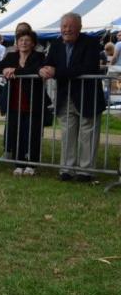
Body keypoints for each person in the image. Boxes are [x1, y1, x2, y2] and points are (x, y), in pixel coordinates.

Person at [38, 12, 103, 182]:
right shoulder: (57, 44)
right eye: (64, 26)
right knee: (67, 134)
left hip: (87, 96)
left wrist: (57, 72)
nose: (67, 30)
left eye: (70, 26)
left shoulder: (91, 43)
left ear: (79, 27)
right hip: (65, 96)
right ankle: (66, 169)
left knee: (88, 133)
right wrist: (42, 69)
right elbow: (49, 62)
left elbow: (88, 67)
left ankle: (85, 171)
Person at [0, 30, 47, 176]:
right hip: (14, 101)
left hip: (33, 101)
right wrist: (4, 69)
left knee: (32, 133)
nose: (23, 43)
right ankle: (19, 163)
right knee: (16, 133)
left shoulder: (38, 56)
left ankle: (32, 164)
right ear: (17, 42)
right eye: (21, 40)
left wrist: (14, 70)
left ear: (33, 43)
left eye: (27, 40)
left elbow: (33, 70)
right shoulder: (11, 56)